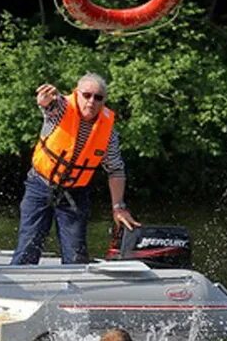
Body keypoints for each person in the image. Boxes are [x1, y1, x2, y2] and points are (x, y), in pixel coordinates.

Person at [11, 72, 140, 265]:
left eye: (98, 98)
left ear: (104, 101)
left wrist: (118, 207)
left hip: (75, 194)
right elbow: (49, 106)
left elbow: (115, 170)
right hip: (40, 185)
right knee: (29, 246)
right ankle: (17, 283)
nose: (91, 101)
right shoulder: (62, 107)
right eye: (86, 95)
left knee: (75, 255)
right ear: (77, 94)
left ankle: (76, 289)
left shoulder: (109, 133)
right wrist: (44, 100)